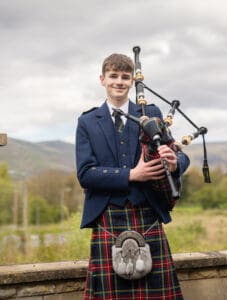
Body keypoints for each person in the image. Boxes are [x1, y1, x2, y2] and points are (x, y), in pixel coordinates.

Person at [76, 53, 189, 299]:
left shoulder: (150, 112)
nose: (119, 81)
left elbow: (180, 155)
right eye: (113, 76)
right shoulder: (87, 121)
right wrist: (132, 174)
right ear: (102, 79)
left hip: (147, 214)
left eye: (125, 77)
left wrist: (172, 163)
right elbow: (85, 174)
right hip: (108, 217)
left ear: (131, 81)